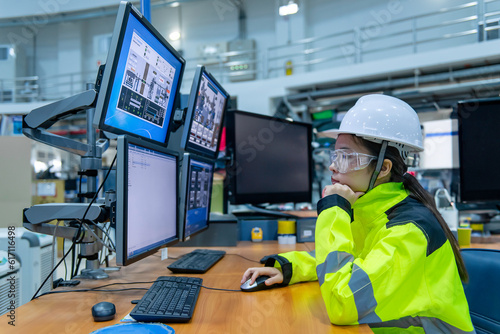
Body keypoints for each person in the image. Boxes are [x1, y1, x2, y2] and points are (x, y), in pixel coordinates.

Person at [241, 94, 475, 333]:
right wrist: (290, 268)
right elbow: (351, 261)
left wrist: (334, 209)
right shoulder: (373, 210)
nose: (333, 166)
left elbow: (343, 303)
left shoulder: (409, 231)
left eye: (347, 157)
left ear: (383, 168)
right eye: (336, 156)